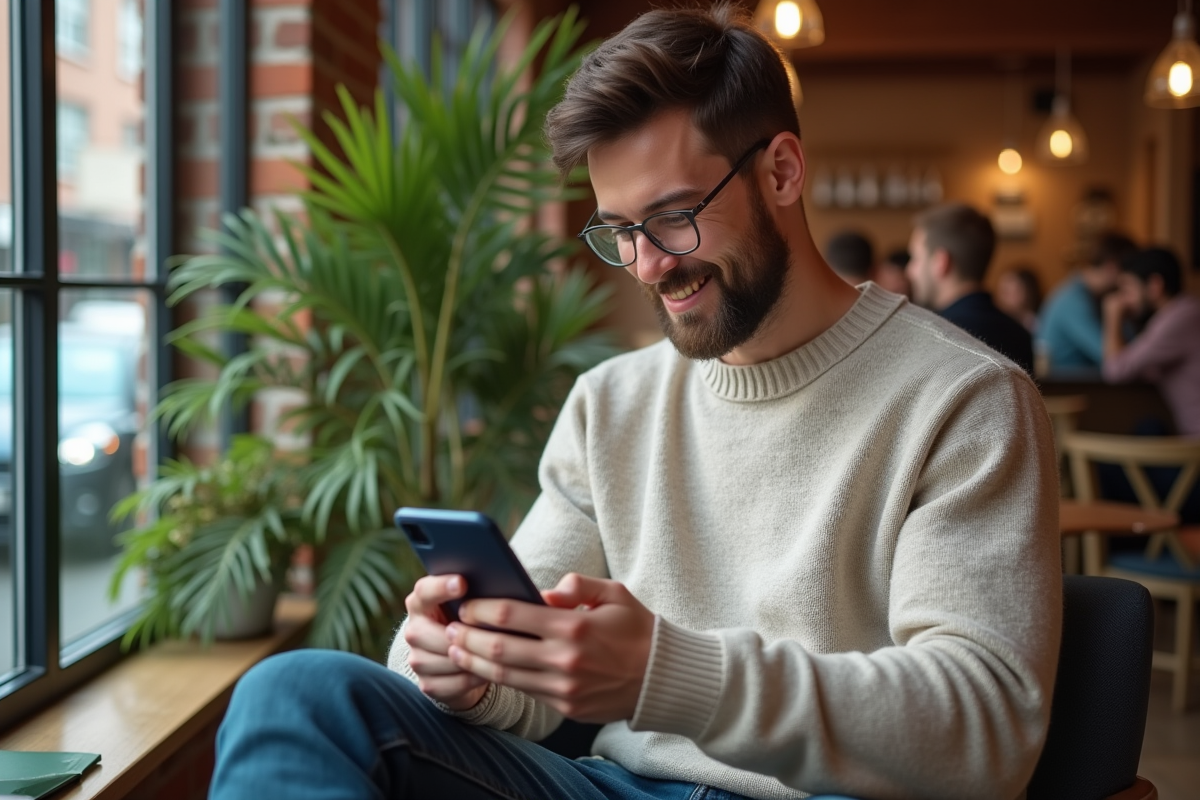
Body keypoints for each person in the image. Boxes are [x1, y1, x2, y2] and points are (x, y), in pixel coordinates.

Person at [210, 6, 1061, 800]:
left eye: (674, 215)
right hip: (618, 786)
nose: (649, 264)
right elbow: (532, 681)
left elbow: (986, 724)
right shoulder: (610, 403)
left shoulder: (965, 398)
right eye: (619, 229)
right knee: (296, 693)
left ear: (782, 171)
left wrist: (670, 675)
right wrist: (464, 668)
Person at [906, 203, 1035, 374]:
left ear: (941, 262)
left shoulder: (933, 336)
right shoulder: (1020, 336)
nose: (909, 271)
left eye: (915, 258)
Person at [1102, 247, 1200, 438]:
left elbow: (1115, 371)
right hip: (1191, 443)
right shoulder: (1183, 312)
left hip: (1195, 452)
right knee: (1147, 428)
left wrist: (1112, 317)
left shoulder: (1179, 319)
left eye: (1127, 290)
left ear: (1155, 285)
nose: (1123, 300)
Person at [1038, 232, 1137, 372]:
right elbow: (1115, 362)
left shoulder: (1088, 295)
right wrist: (1116, 314)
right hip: (1065, 389)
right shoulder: (1073, 302)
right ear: (1111, 267)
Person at [996, 266, 1043, 333]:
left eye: (1007, 292)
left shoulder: (1039, 323)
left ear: (1028, 291)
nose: (1001, 297)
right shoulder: (999, 322)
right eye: (1002, 292)